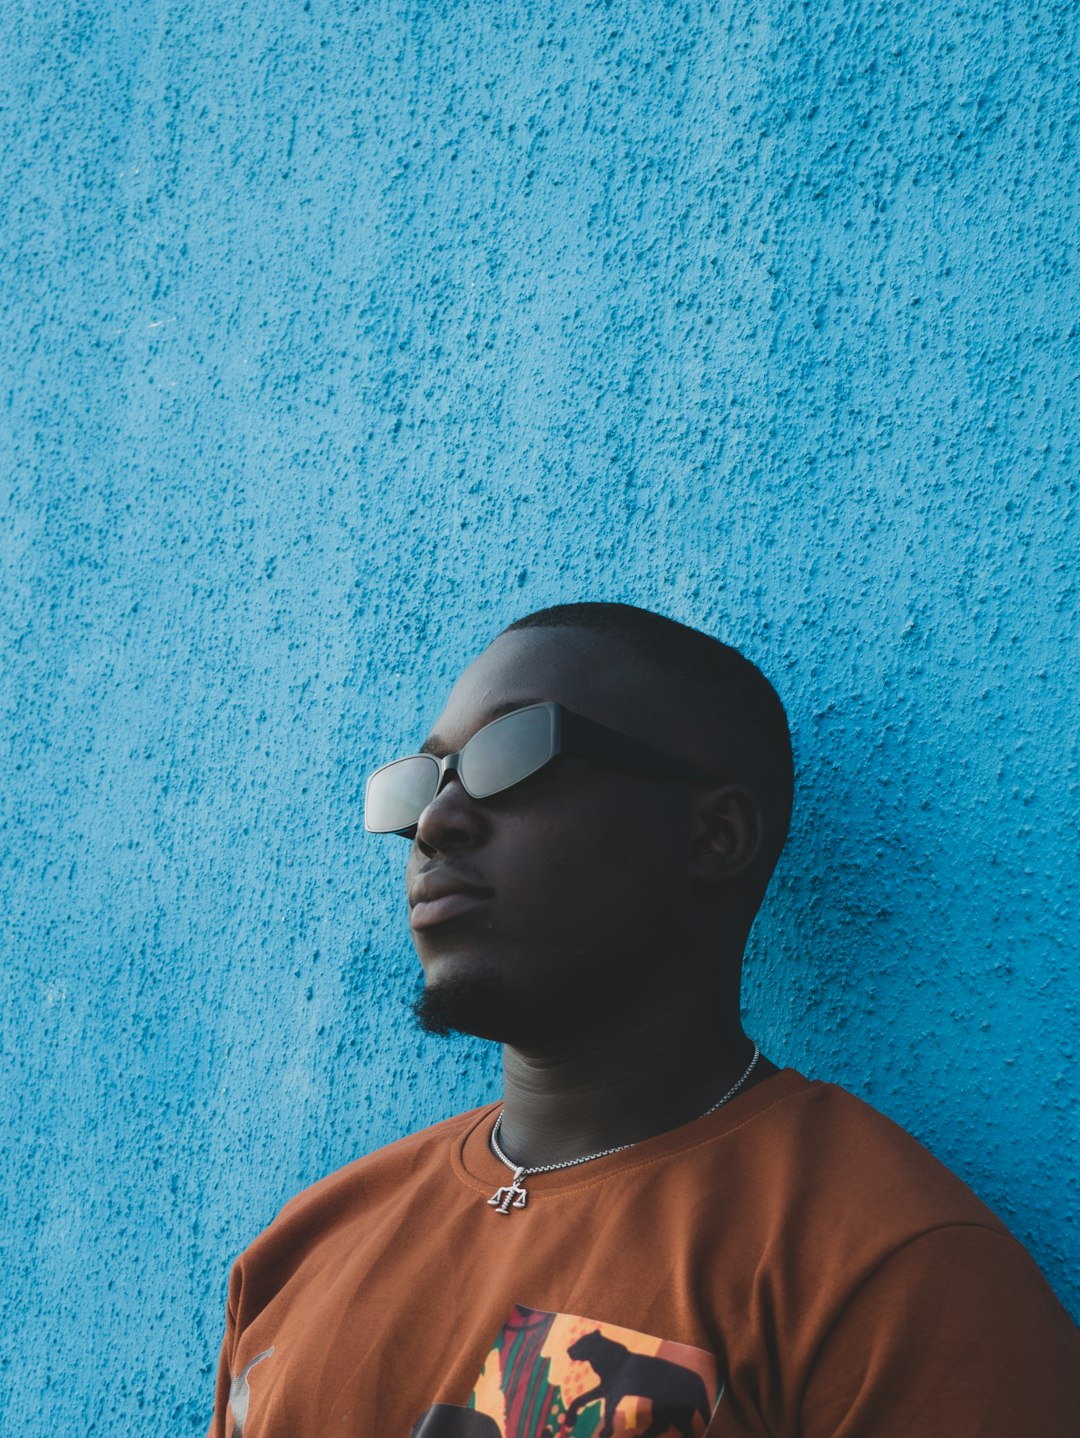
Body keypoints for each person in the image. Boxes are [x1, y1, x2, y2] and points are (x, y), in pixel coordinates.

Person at [209, 602, 1080, 1438]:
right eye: (422, 783)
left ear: (715, 836)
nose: (434, 823)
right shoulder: (307, 1247)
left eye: (514, 753)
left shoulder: (887, 1271)